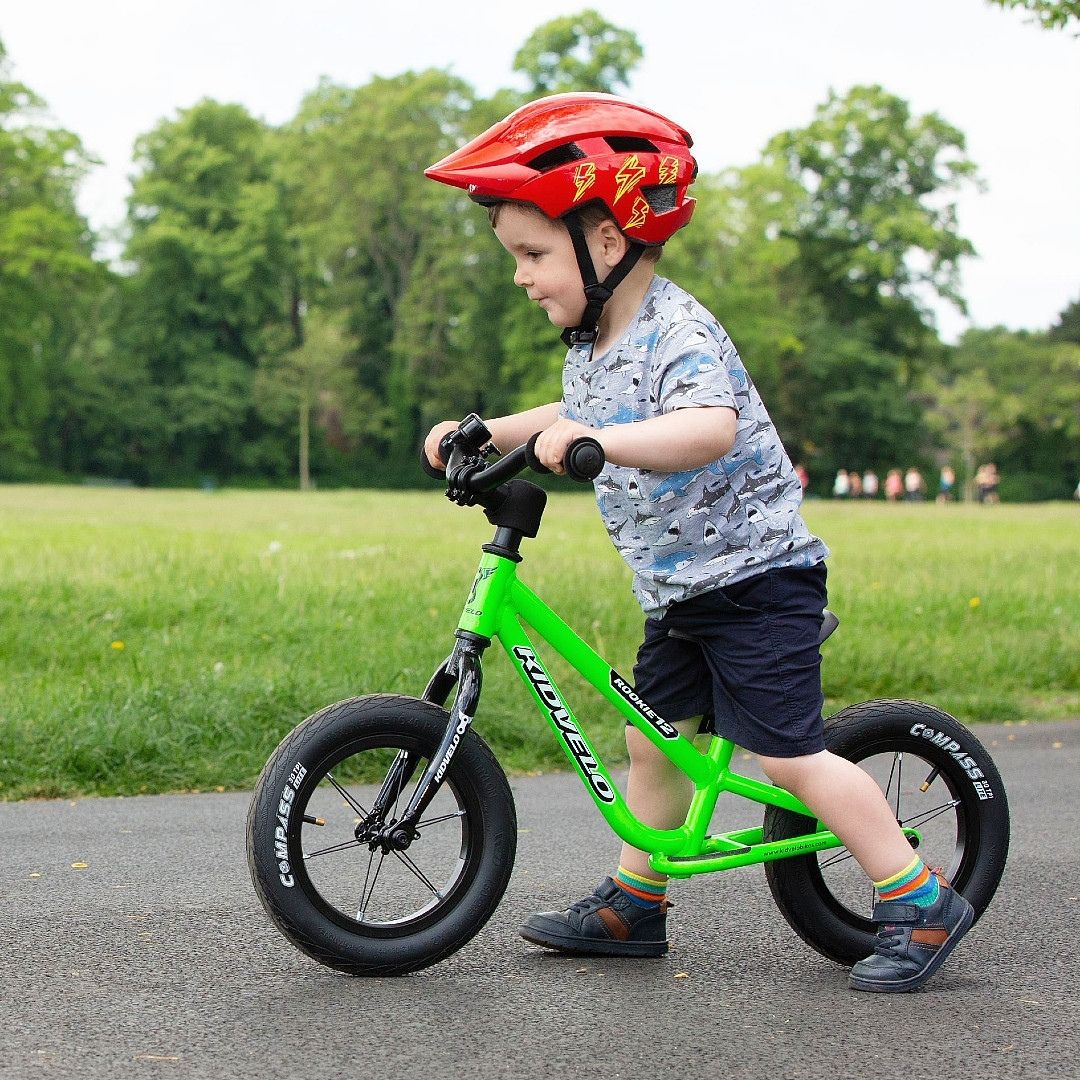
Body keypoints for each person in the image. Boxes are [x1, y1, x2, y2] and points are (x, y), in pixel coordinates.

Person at [423, 93, 973, 993]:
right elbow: (572, 415)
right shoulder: (593, 341)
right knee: (655, 740)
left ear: (607, 243)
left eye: (532, 253)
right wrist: (485, 431)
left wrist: (601, 446)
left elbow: (707, 428)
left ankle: (918, 899)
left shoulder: (679, 330)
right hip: (681, 592)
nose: (520, 275)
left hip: (759, 582)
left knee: (789, 758)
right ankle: (637, 902)